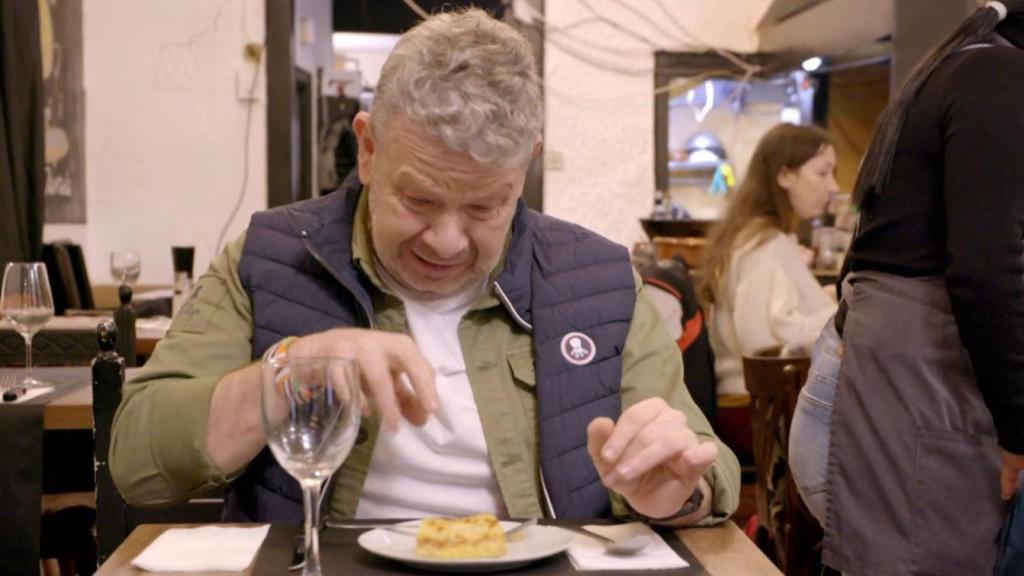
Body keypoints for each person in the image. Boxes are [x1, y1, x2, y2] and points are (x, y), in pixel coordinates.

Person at [108, 9, 739, 526]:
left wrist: (677, 495)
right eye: (418, 199)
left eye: (486, 206)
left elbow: (710, 472)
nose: (446, 240)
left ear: (527, 169)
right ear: (368, 148)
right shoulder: (272, 255)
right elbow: (136, 457)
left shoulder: (599, 283)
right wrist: (290, 375)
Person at [790, 2, 1024, 574]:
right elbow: (987, 273)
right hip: (899, 407)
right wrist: (1019, 427)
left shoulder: (965, 66)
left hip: (872, 394)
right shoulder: (998, 76)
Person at [699, 123, 839, 462]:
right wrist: (840, 314)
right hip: (757, 415)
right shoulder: (765, 244)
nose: (833, 187)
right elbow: (762, 344)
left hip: (753, 409)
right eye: (822, 173)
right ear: (785, 175)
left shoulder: (755, 234)